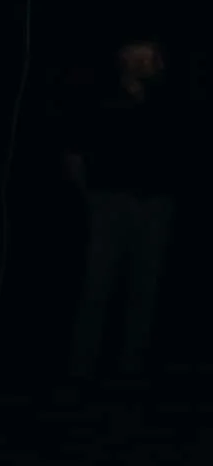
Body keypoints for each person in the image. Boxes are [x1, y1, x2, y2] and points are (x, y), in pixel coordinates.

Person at [64, 30, 180, 384]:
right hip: (109, 206)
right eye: (141, 56)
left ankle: (132, 374)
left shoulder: (168, 102)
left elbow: (182, 151)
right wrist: (93, 198)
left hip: (155, 207)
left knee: (144, 290)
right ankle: (80, 374)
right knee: (97, 289)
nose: (149, 63)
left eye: (153, 57)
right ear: (125, 58)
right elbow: (73, 153)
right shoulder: (99, 97)